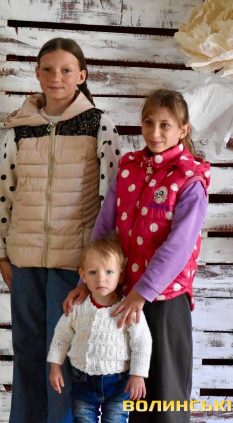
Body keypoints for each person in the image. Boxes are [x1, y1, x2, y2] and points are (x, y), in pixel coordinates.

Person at [64, 89, 211, 423]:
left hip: (164, 300)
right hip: (123, 297)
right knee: (132, 393)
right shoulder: (129, 168)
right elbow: (104, 228)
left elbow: (179, 245)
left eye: (165, 125)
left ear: (183, 130)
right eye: (148, 123)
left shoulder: (189, 178)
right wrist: (87, 281)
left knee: (166, 397)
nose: (154, 133)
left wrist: (142, 292)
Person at [0, 37, 120, 423]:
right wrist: (2, 252)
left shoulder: (98, 124)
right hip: (25, 258)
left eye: (66, 70)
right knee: (28, 349)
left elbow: (111, 196)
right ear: (37, 73)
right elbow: (4, 192)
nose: (56, 77)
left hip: (75, 263)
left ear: (81, 76)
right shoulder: (19, 129)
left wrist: (100, 265)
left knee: (64, 353)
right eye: (48, 69)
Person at [48, 238, 152, 423]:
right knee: (82, 419)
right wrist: (55, 366)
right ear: (83, 275)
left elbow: (142, 342)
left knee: (116, 420)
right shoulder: (77, 307)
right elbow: (61, 336)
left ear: (120, 274)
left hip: (118, 383)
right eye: (93, 272)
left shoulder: (128, 309)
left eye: (109, 272)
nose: (101, 278)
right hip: (82, 381)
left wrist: (138, 374)